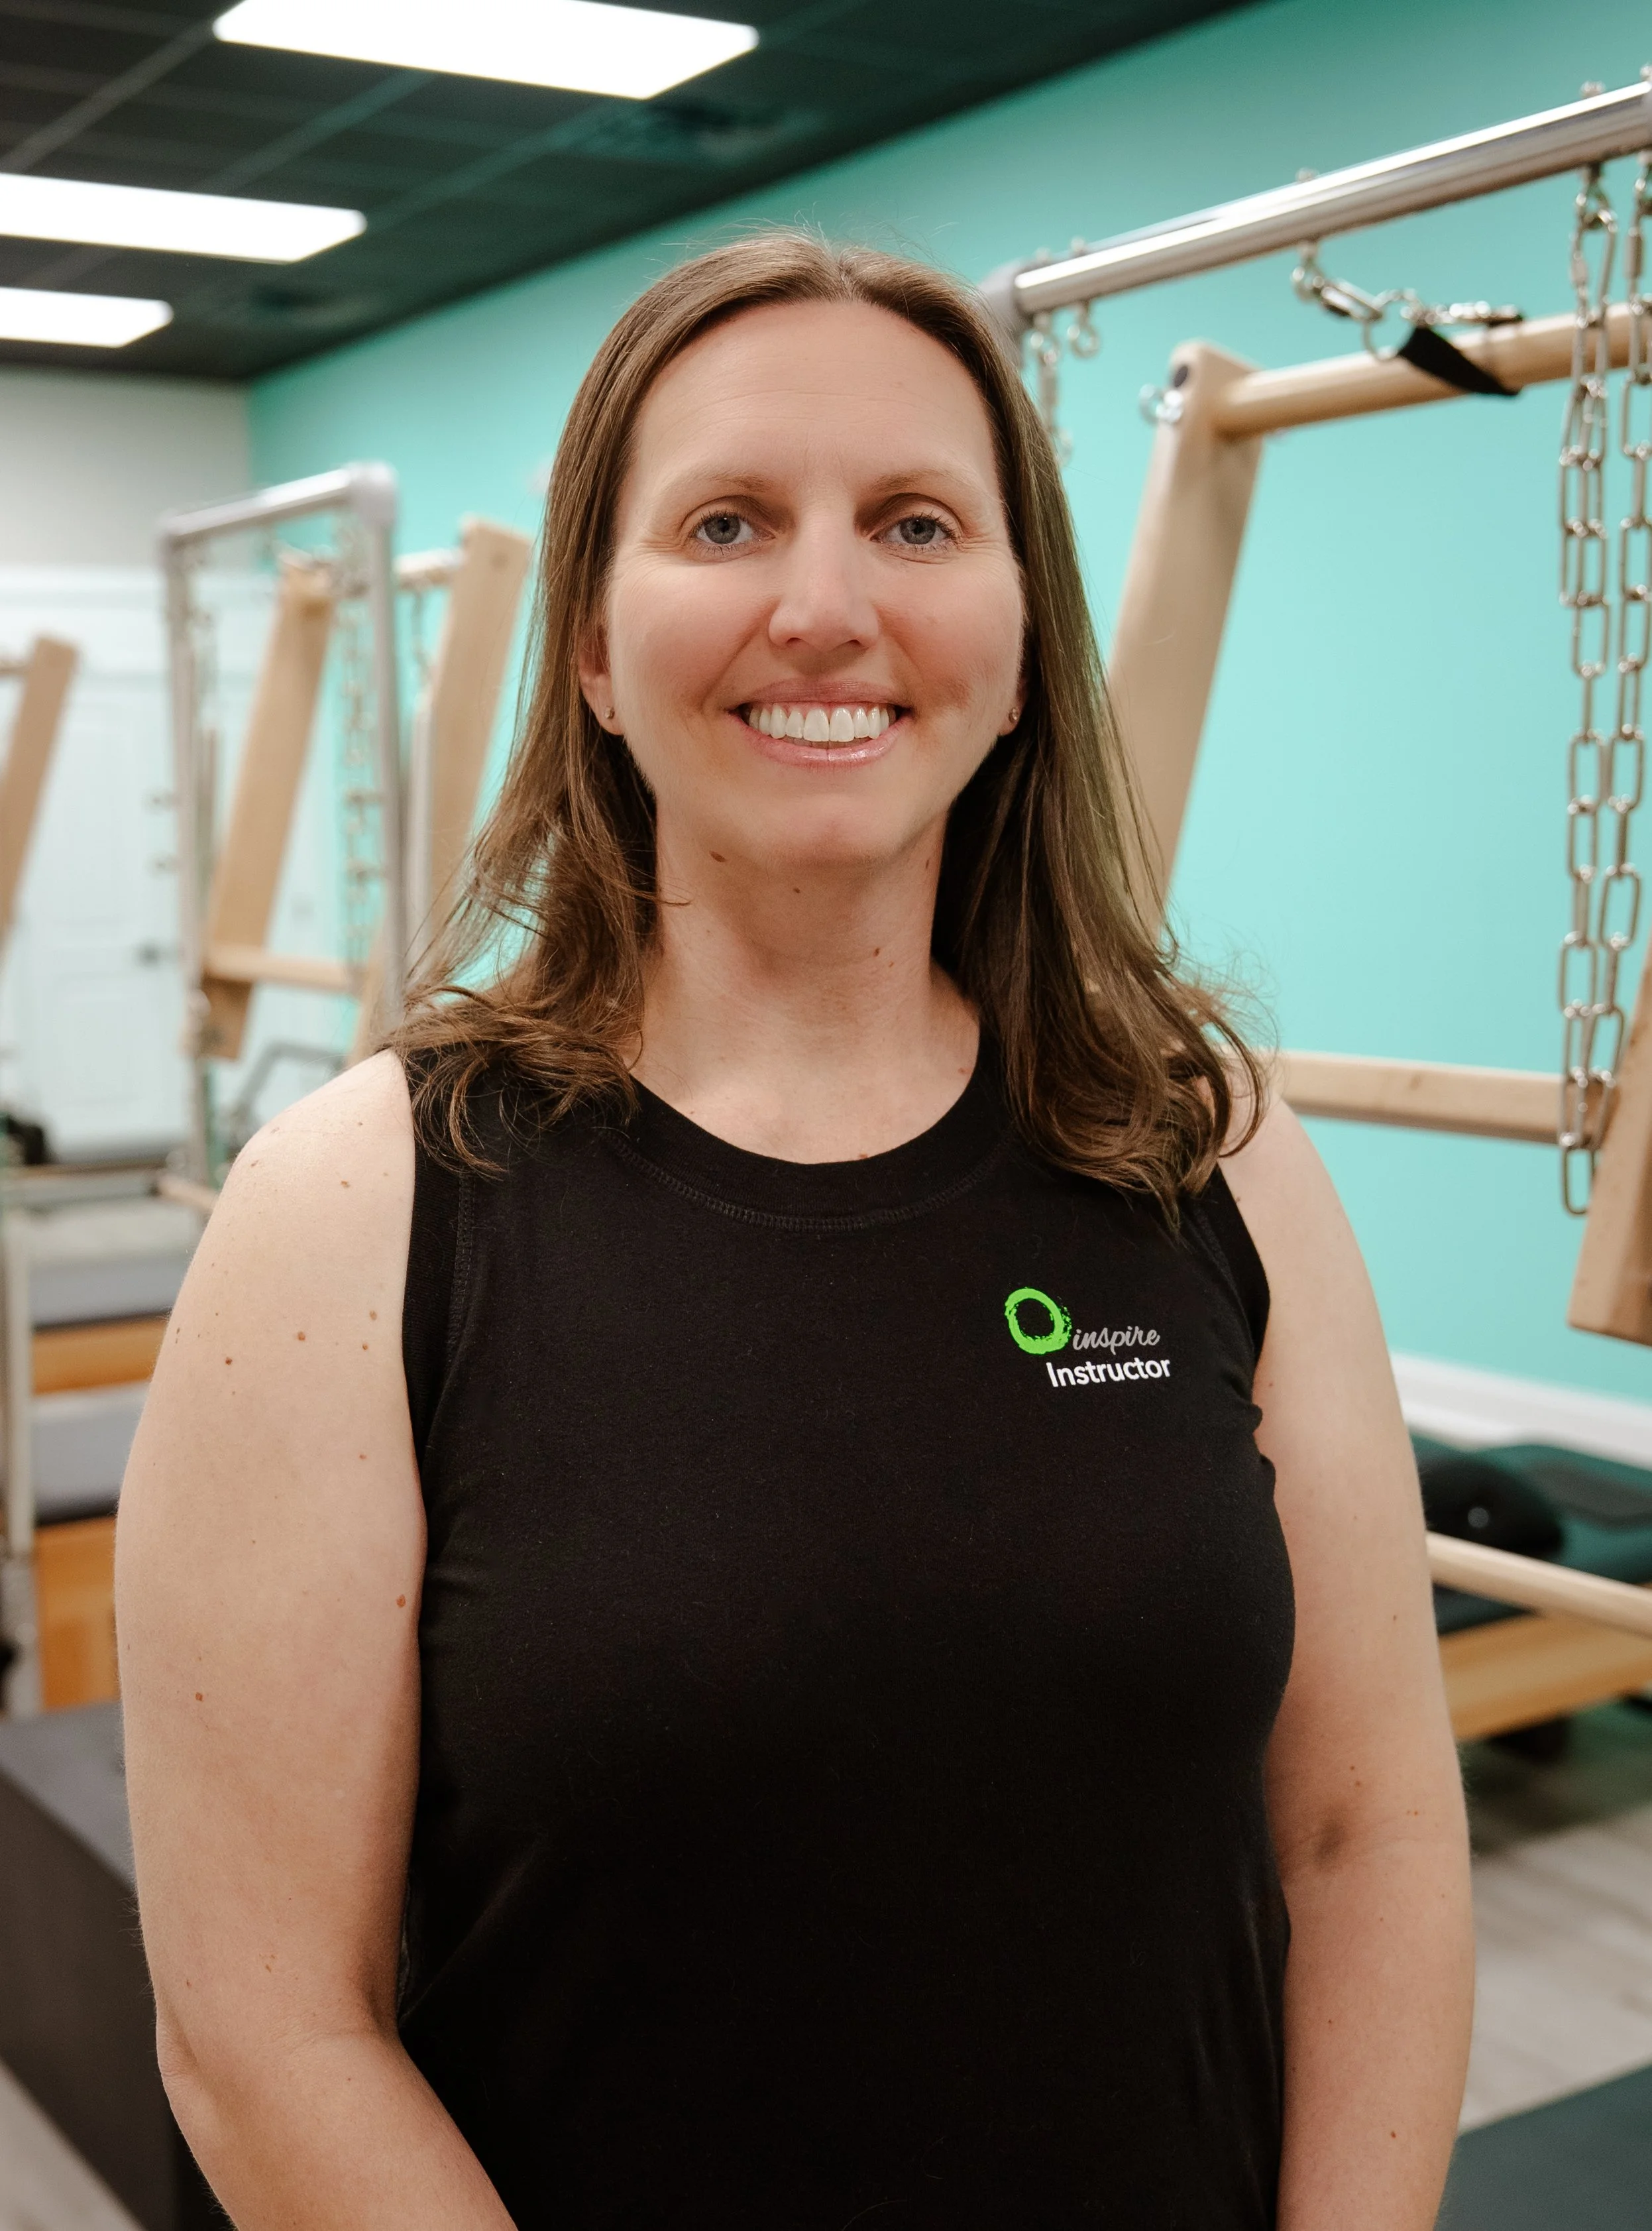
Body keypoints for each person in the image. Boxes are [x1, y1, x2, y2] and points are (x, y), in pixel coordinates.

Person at [117, 232, 1473, 2230]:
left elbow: (1368, 1840)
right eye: (729, 521)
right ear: (588, 642)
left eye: (915, 523)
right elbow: (258, 2027)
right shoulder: (358, 1209)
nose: (824, 608)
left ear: (1018, 639)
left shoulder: (1209, 1155)